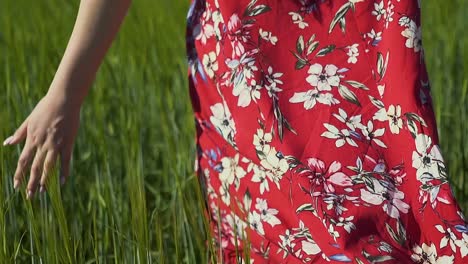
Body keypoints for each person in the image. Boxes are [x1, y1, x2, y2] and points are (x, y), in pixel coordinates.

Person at [3, 0, 467, 263]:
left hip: (355, 27)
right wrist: (66, 91)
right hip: (258, 48)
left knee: (400, 225)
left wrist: (67, 92)